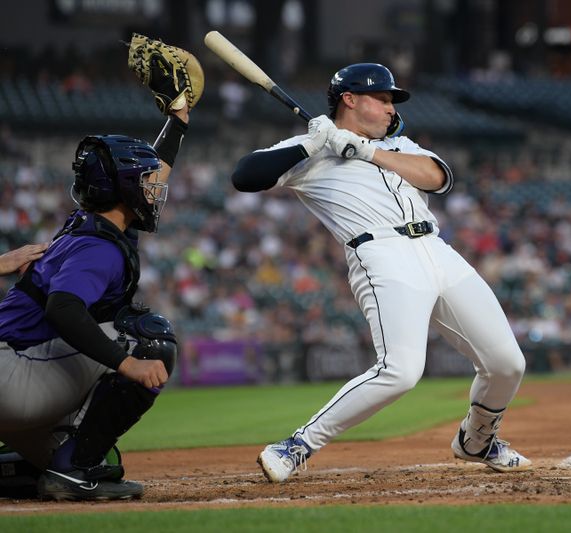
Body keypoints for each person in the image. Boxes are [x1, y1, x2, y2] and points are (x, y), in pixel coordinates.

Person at [231, 63, 531, 483]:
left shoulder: (398, 144)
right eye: (384, 98)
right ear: (350, 100)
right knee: (401, 371)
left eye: (392, 101)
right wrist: (313, 146)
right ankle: (297, 445)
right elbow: (244, 177)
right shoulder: (313, 145)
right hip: (381, 254)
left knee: (507, 364)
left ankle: (476, 440)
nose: (392, 108)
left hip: (437, 250)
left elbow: (438, 177)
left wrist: (366, 150)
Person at [0, 103, 190, 501]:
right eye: (147, 183)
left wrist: (178, 122)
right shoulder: (98, 248)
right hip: (14, 381)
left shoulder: (86, 224)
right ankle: (73, 471)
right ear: (125, 190)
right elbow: (63, 308)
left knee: (98, 459)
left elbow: (144, 175)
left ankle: (33, 461)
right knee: (148, 337)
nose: (154, 190)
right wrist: (127, 363)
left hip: (13, 375)